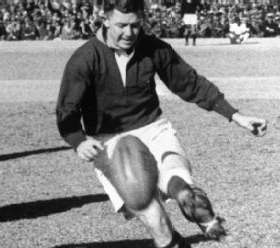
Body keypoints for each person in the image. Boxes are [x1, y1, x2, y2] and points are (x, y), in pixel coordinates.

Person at [56, 0, 268, 247]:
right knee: (157, 219)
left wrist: (236, 115)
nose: (129, 33)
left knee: (172, 191)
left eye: (135, 26)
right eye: (121, 25)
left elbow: (190, 83)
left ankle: (185, 196)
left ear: (143, 19)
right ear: (105, 19)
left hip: (152, 128)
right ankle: (182, 198)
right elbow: (67, 108)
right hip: (109, 140)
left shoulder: (154, 48)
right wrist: (78, 140)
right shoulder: (85, 57)